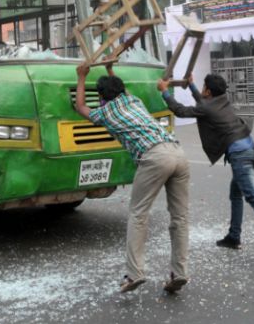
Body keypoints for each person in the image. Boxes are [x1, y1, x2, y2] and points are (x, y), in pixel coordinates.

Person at [75, 63, 190, 294]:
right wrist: (109, 69)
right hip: (178, 154)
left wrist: (81, 76)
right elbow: (122, 89)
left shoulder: (105, 112)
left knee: (138, 214)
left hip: (154, 157)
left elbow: (80, 106)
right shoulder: (133, 101)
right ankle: (180, 272)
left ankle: (134, 273)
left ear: (101, 97)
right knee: (180, 217)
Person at [159, 74, 254, 266]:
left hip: (240, 155)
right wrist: (192, 86)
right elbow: (203, 104)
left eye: (204, 88)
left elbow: (180, 110)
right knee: (235, 194)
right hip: (249, 149)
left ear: (209, 91)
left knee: (253, 195)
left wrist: (164, 91)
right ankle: (233, 237)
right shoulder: (222, 101)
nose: (203, 91)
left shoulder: (208, 105)